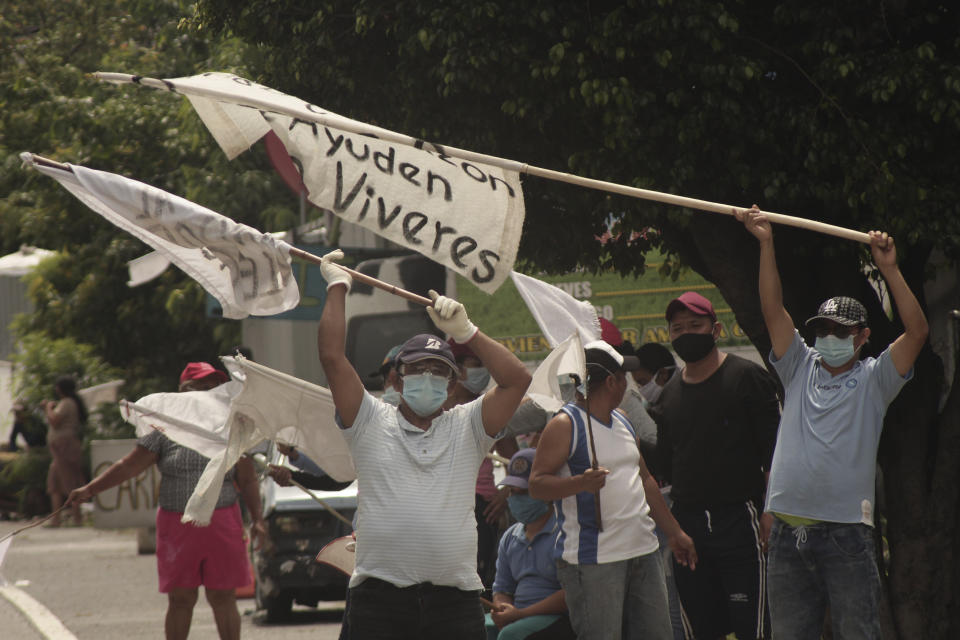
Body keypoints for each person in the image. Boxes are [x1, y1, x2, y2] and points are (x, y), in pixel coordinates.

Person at [316, 249, 531, 639]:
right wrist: (337, 286)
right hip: (378, 603)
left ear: (452, 388)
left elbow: (517, 380)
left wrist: (468, 333)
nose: (428, 379)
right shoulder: (369, 419)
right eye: (417, 370)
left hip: (454, 604)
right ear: (396, 381)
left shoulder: (468, 425)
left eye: (439, 373)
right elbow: (332, 359)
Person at [737, 206, 928, 640]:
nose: (830, 338)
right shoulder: (799, 367)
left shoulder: (875, 379)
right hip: (788, 532)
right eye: (823, 329)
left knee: (858, 633)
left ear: (863, 337)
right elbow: (772, 311)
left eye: (841, 332)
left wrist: (891, 270)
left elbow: (917, 333)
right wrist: (766, 244)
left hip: (846, 534)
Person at [67, 362, 266, 640]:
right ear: (182, 390)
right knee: (181, 598)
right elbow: (129, 466)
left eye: (212, 386)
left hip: (221, 520)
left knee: (223, 597)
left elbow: (247, 478)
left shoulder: (232, 424)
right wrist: (90, 489)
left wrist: (258, 519)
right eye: (199, 386)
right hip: (177, 524)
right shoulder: (163, 427)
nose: (206, 392)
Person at [528, 340, 698, 640]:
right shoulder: (566, 424)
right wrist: (580, 483)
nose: (628, 384)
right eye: (623, 377)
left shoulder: (624, 420)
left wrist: (674, 532)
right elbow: (537, 486)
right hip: (594, 560)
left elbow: (645, 479)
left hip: (644, 549)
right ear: (611, 381)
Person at [654, 291, 780, 640]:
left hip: (742, 520)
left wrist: (771, 509)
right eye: (677, 329)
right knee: (700, 629)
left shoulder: (747, 378)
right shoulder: (669, 395)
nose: (686, 334)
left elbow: (775, 452)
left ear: (716, 329)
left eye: (695, 325)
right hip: (688, 528)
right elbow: (667, 463)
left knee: (754, 627)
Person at [447, 338, 518, 590]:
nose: (483, 371)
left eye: (484, 364)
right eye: (476, 364)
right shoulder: (435, 405)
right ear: (455, 368)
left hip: (482, 509)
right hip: (445, 505)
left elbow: (515, 463)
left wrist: (506, 492)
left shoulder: (490, 407)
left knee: (478, 583)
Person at [486, 448, 575, 640]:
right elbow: (502, 588)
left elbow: (571, 593)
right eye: (512, 491)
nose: (516, 498)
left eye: (524, 492)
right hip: (519, 616)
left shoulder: (566, 532)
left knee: (510, 635)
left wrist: (520, 615)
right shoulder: (510, 537)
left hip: (557, 619)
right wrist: (502, 608)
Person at [44, 376, 88, 527]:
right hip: (59, 449)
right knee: (54, 482)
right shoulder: (69, 403)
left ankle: (78, 518)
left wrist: (48, 408)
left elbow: (54, 421)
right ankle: (56, 519)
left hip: (65, 447)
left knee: (70, 481)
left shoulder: (67, 402)